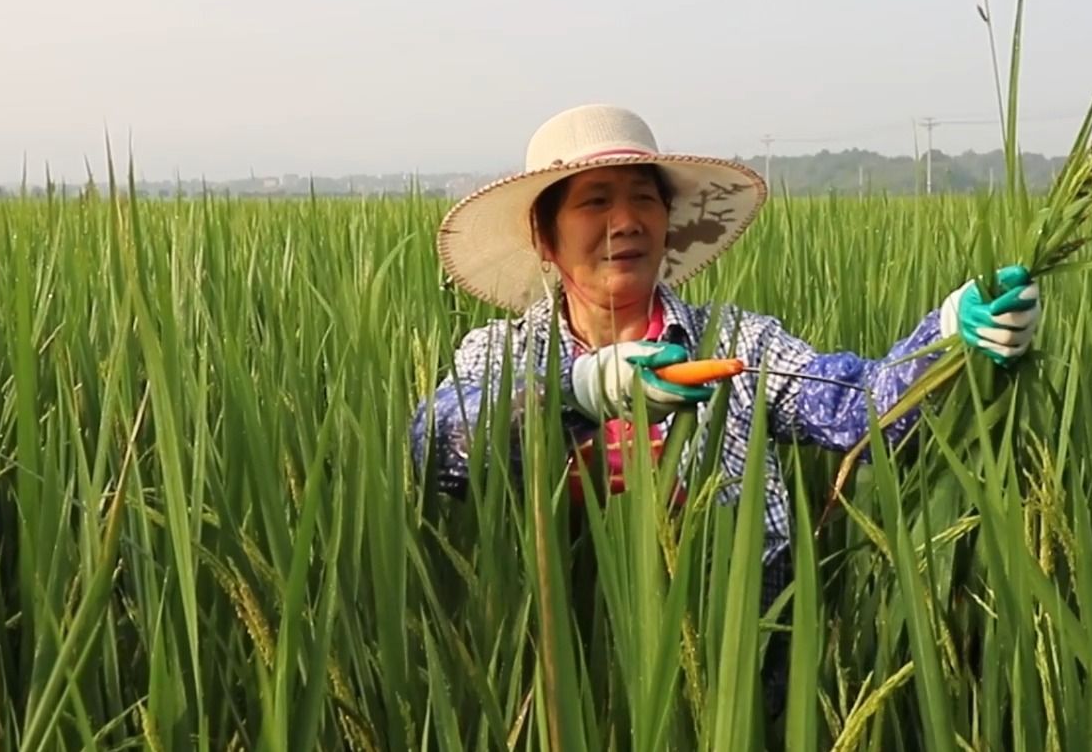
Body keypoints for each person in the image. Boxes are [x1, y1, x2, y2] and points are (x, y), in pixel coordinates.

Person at [409, 103, 1040, 707]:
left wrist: (948, 336)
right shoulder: (503, 355)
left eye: (644, 199)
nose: (625, 221)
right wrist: (580, 391)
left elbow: (854, 411)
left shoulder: (736, 344)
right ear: (544, 236)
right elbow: (437, 445)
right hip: (559, 696)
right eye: (595, 201)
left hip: (739, 688)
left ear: (668, 220)